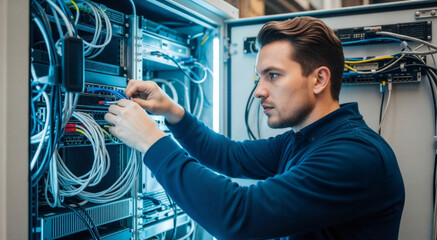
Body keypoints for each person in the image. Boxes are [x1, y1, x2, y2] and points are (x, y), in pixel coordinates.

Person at [105, 16, 405, 240]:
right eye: (259, 77)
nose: (259, 91)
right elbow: (230, 155)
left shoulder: (353, 156)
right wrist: (173, 112)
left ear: (319, 80)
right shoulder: (305, 140)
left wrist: (152, 142)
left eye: (273, 75)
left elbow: (238, 216)